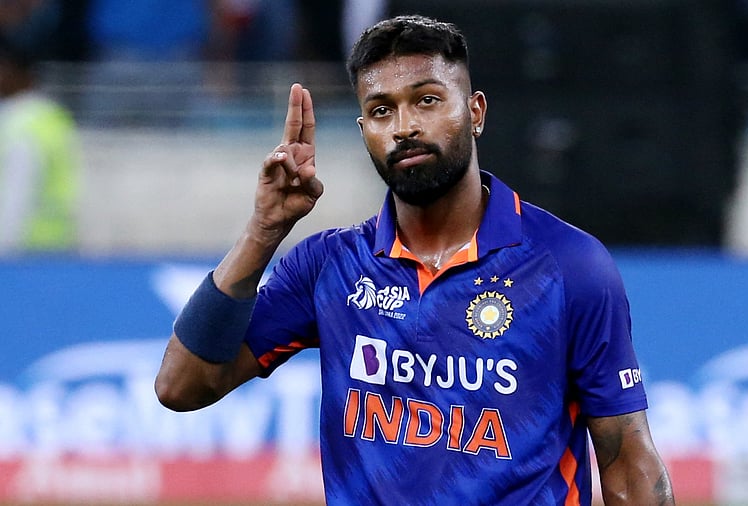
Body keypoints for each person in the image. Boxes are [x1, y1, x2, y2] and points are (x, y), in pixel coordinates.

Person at [155, 15, 674, 505]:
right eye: (382, 110)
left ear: (475, 113)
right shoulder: (329, 266)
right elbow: (181, 387)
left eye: (426, 100)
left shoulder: (570, 265)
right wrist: (263, 230)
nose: (403, 126)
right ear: (364, 132)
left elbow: (626, 458)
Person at [0, 31, 80, 253]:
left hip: (24, 249)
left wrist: (4, 251)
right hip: (54, 245)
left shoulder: (21, 125)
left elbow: (16, 194)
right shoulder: (51, 116)